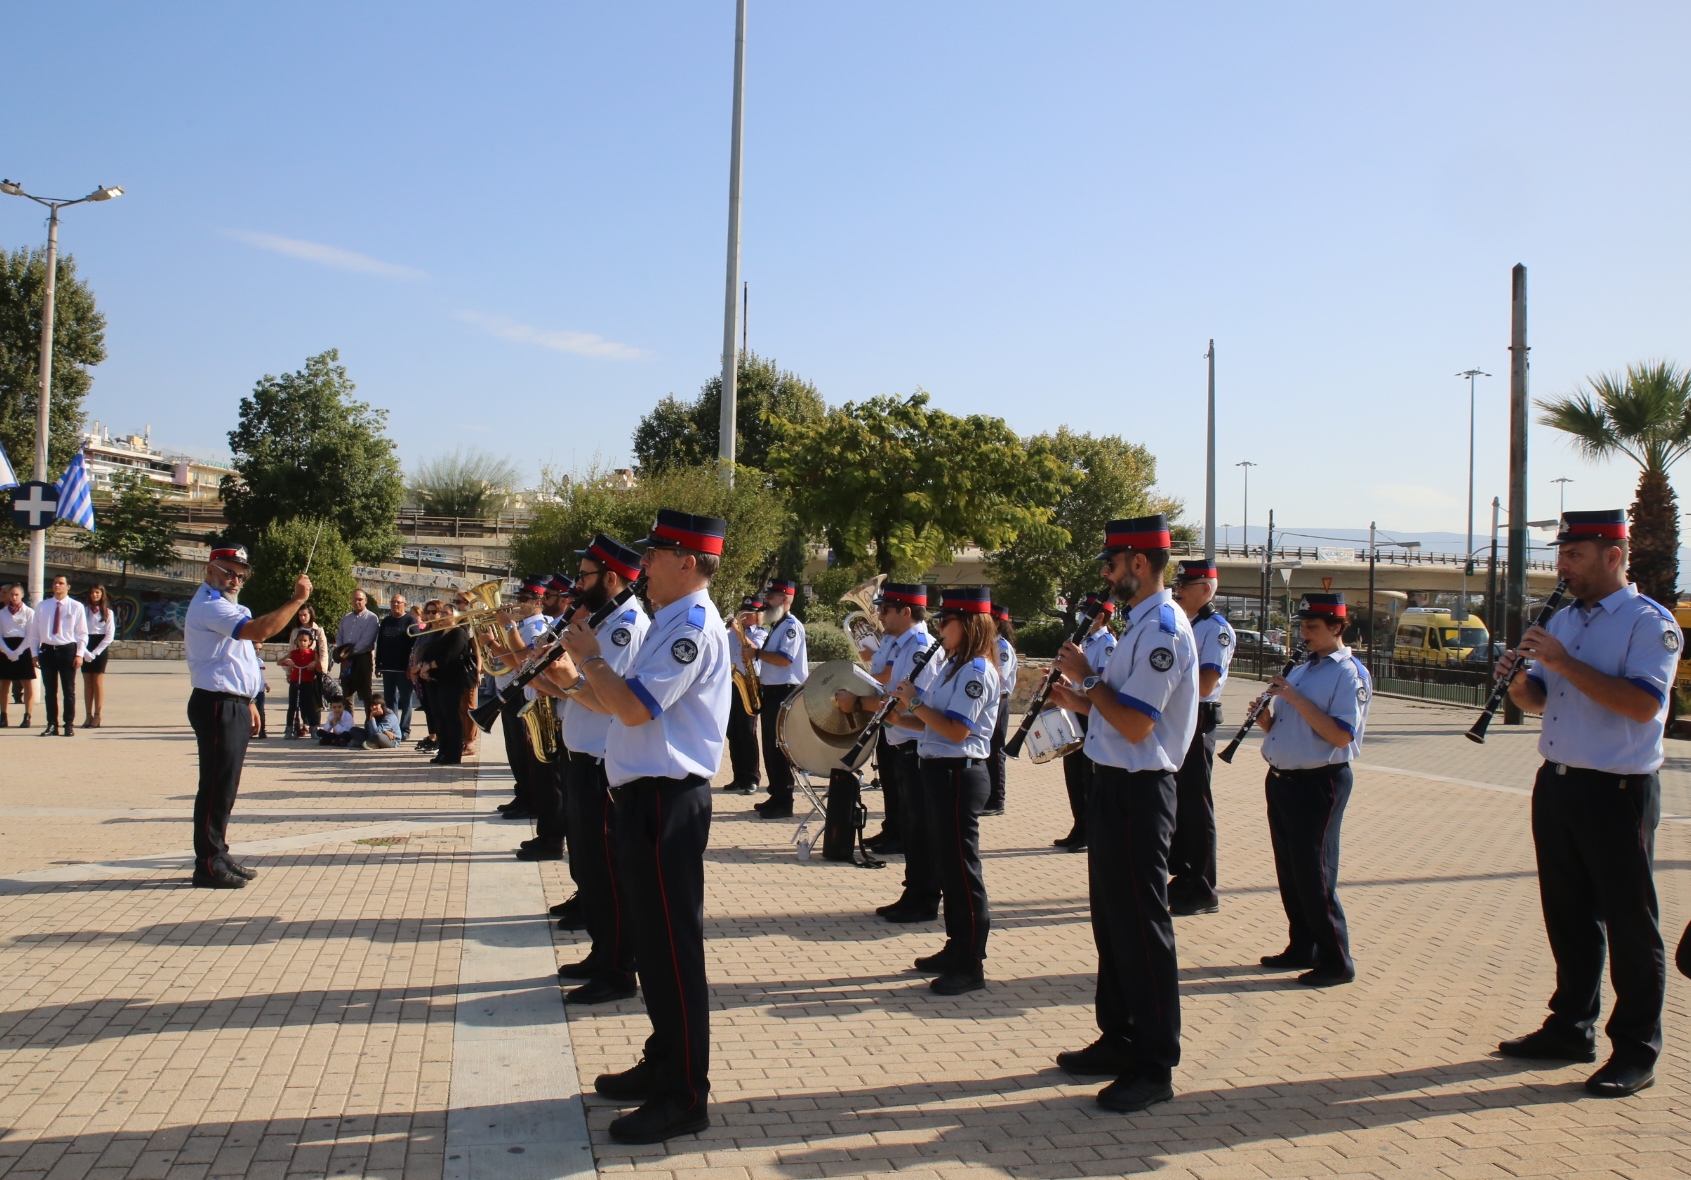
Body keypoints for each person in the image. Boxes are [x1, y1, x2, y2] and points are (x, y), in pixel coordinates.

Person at [1495, 509, 1680, 1098]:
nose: (1563, 567)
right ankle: (1571, 1027)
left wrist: (1561, 662)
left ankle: (1637, 1049)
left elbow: (1643, 706)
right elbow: (1542, 700)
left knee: (1630, 922)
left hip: (1617, 791)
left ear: (1613, 555)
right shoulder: (1566, 618)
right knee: (1568, 915)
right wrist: (1518, 682)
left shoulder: (1648, 623)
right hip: (1558, 783)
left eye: (1574, 555)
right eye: (1562, 556)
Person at [561, 509, 731, 1145]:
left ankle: (683, 1095)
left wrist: (591, 659)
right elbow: (613, 703)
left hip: (667, 801)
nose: (644, 565)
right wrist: (574, 677)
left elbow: (634, 709)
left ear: (687, 562)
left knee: (672, 950)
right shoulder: (667, 620)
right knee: (655, 947)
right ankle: (663, 1061)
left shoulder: (692, 626)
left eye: (654, 554)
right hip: (642, 799)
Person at [1046, 514, 1197, 1113]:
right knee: (1111, 923)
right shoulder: (1138, 625)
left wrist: (1087, 679)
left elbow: (1136, 723)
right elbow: (1116, 709)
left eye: (1111, 565)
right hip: (1111, 785)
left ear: (1139, 562)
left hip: (1140, 792)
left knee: (1140, 927)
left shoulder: (1164, 629)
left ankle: (1154, 1063)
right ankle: (1118, 1037)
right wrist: (1078, 698)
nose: (1106, 576)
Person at [536, 534, 648, 1004]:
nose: (578, 585)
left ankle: (617, 969)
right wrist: (545, 674)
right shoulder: (602, 621)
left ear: (611, 578)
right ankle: (602, 953)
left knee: (608, 872)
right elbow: (578, 690)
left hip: (603, 761)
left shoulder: (625, 627)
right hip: (581, 756)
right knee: (589, 867)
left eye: (585, 576)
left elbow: (605, 697)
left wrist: (567, 677)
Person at [887, 587, 1001, 996]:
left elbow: (956, 730)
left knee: (962, 873)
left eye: (946, 621)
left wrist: (914, 702)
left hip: (958, 776)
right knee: (948, 870)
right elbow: (931, 723)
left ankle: (971, 963)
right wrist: (897, 716)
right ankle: (956, 946)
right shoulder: (954, 666)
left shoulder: (976, 671)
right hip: (939, 772)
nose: (939, 628)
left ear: (968, 624)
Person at [1255, 592, 1371, 988]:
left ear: (1337, 627)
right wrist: (1266, 720)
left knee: (1315, 873)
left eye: (1312, 627)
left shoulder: (1349, 673)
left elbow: (1339, 735)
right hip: (1282, 780)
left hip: (1319, 783)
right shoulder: (1304, 669)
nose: (1304, 633)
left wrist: (1294, 697)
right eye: (1303, 626)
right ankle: (1302, 946)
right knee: (1290, 871)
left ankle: (1336, 960)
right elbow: (1290, 728)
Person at [184, 541, 312, 888]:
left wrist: (251, 700)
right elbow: (259, 631)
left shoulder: (231, 606)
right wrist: (297, 600)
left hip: (234, 701)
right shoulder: (210, 606)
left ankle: (219, 853)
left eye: (241, 575)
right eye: (229, 573)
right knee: (215, 786)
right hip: (216, 702)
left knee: (226, 786)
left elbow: (240, 657)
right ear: (210, 571)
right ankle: (208, 864)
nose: (235, 580)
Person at [837, 584, 937, 915]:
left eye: (885, 609)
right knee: (911, 823)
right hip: (900, 740)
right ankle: (915, 894)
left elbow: (906, 701)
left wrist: (858, 703)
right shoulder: (900, 642)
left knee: (919, 829)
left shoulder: (919, 646)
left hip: (915, 745)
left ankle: (922, 900)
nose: (878, 615)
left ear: (906, 612)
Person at [1167, 560, 1236, 915]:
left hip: (1198, 719)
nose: (1177, 590)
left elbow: (1207, 683)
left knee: (1195, 804)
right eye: (1177, 584)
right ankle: (1183, 875)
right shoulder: (1184, 623)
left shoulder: (1215, 629)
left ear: (1206, 589)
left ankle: (1202, 885)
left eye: (1185, 585)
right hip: (1178, 718)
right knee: (1177, 801)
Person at [484, 576, 553, 820]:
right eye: (518, 597)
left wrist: (491, 643)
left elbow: (520, 663)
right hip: (509, 692)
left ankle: (530, 800)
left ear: (539, 601)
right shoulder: (522, 624)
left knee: (523, 752)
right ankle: (522, 793)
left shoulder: (536, 628)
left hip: (521, 694)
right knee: (514, 750)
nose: (517, 603)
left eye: (524, 599)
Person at [1054, 596, 1117, 851]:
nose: (1082, 616)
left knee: (1088, 773)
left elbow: (1099, 682)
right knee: (1073, 772)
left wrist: (1076, 685)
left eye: (1085, 612)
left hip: (1091, 711)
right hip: (1075, 708)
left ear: (1100, 616)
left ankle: (1090, 830)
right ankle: (1078, 825)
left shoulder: (1107, 644)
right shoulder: (1079, 641)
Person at [753, 578, 808, 819]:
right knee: (770, 746)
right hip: (773, 692)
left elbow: (785, 660)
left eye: (771, 596)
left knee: (780, 748)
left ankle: (785, 801)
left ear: (785, 599)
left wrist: (756, 653)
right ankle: (775, 794)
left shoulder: (791, 626)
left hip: (785, 692)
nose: (767, 601)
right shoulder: (778, 625)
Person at [28, 574, 89, 736]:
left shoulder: (76, 606)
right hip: (47, 650)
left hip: (67, 650)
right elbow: (34, 633)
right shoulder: (43, 606)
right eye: (55, 583)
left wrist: (79, 654)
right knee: (50, 690)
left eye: (61, 583)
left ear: (68, 586)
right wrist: (34, 654)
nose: (57, 586)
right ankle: (52, 724)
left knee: (68, 690)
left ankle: (68, 724)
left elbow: (82, 633)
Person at [724, 596, 766, 795]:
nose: (745, 616)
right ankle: (738, 777)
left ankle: (752, 777)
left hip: (749, 684)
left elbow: (755, 650)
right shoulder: (730, 633)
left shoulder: (761, 633)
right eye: (743, 612)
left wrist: (738, 631)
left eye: (750, 613)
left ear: (758, 616)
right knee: (733, 731)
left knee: (748, 732)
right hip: (731, 684)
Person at [982, 603, 1018, 815]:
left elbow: (998, 676)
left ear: (996, 622)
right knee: (987, 750)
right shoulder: (989, 643)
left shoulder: (1001, 646)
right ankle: (987, 796)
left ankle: (997, 800)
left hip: (999, 700)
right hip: (990, 700)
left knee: (996, 751)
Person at [375, 593, 417, 741]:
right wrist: (378, 664)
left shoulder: (410, 621)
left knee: (406, 700)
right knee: (389, 700)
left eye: (398, 602)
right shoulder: (386, 621)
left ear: (404, 604)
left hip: (404, 669)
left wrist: (411, 666)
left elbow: (415, 646)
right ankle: (393, 727)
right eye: (393, 602)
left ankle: (405, 729)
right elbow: (380, 643)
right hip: (388, 668)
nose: (395, 605)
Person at [334, 590, 379, 719]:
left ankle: (369, 723)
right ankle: (348, 723)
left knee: (366, 694)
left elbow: (366, 641)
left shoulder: (372, 618)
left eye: (360, 599)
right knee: (347, 694)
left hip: (362, 658)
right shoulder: (346, 618)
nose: (357, 602)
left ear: (365, 600)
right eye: (354, 599)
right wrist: (342, 655)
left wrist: (348, 654)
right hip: (345, 659)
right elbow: (339, 637)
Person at [0, 583, 36, 728]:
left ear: (22, 595)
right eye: (11, 594)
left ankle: (27, 715)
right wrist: (7, 651)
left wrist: (18, 651)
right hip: (6, 648)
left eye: (16, 595)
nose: (14, 597)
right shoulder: (2, 613)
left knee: (26, 683)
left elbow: (31, 634)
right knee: (4, 683)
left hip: (23, 648)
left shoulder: (29, 612)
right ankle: (3, 715)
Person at [81, 584, 116, 727]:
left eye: (97, 592)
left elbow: (109, 636)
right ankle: (88, 715)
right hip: (85, 646)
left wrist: (95, 653)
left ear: (102, 594)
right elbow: (77, 632)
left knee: (97, 682)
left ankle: (97, 715)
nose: (94, 595)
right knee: (87, 682)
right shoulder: (83, 611)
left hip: (100, 648)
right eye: (92, 592)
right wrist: (85, 651)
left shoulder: (108, 612)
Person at [282, 629, 323, 737]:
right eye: (300, 640)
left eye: (305, 640)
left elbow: (320, 668)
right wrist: (288, 661)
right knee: (292, 705)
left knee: (309, 705)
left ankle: (313, 727)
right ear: (296, 641)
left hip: (308, 682)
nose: (302, 643)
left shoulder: (312, 653)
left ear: (310, 642)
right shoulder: (293, 653)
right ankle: (289, 728)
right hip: (295, 681)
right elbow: (280, 661)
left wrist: (314, 663)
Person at [288, 605, 331, 676]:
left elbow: (323, 651)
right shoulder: (295, 631)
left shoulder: (318, 630)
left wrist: (323, 670)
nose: (302, 618)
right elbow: (291, 650)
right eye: (300, 615)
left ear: (310, 615)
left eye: (305, 615)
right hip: (297, 668)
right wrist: (288, 672)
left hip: (312, 668)